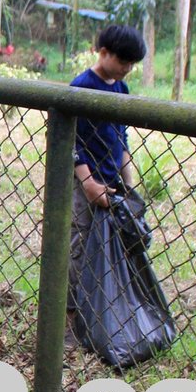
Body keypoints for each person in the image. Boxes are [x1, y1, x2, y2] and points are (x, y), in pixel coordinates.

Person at [69, 24, 147, 308]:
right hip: (85, 180)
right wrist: (88, 183)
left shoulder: (122, 88)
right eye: (123, 61)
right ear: (103, 53)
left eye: (132, 64)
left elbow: (121, 136)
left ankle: (99, 310)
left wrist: (128, 183)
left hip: (113, 179)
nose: (127, 68)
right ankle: (69, 314)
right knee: (80, 244)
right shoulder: (82, 86)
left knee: (109, 247)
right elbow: (72, 141)